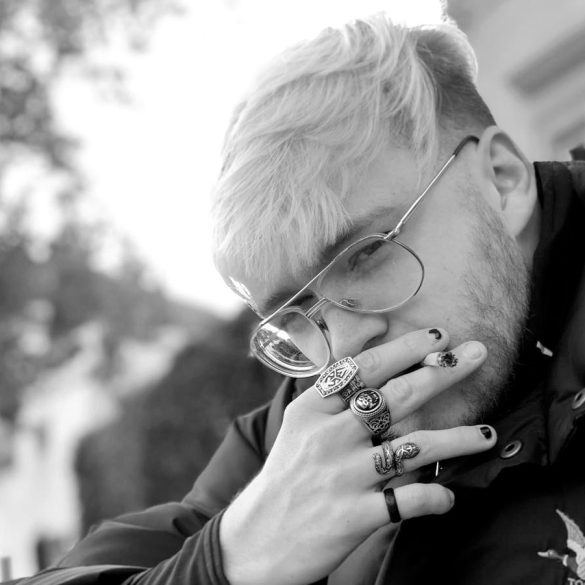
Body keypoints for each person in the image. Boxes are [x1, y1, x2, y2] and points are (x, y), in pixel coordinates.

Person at [9, 12, 585, 585]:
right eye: (297, 314)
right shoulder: (302, 431)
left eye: (366, 253)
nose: (344, 347)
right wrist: (225, 562)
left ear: (501, 180)